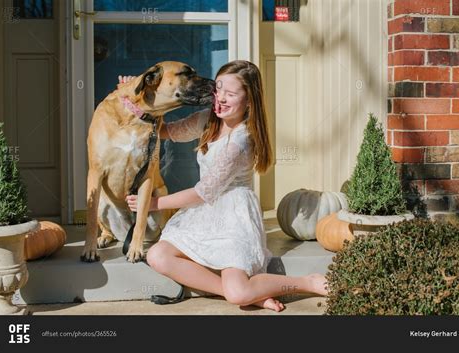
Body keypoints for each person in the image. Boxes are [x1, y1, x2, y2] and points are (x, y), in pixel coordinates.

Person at [121, 60, 327, 312]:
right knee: (157, 255)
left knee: (238, 291)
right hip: (205, 213)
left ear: (249, 100)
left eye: (230, 94)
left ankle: (307, 282)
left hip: (233, 216)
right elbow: (168, 131)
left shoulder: (240, 141)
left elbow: (203, 192)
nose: (221, 98)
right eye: (218, 90)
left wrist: (153, 204)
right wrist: (135, 98)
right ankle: (253, 294)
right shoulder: (208, 120)